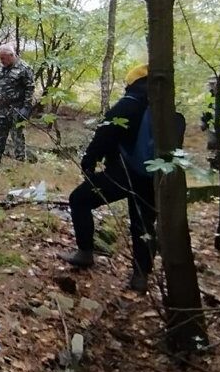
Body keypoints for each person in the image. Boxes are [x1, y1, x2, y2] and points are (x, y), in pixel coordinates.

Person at [60, 64, 156, 293]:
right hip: (153, 177)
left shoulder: (128, 104)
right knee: (142, 224)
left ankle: (85, 252)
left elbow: (104, 135)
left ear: (132, 83)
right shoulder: (161, 106)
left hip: (121, 175)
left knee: (79, 199)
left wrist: (89, 163)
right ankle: (141, 276)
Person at [0, 44, 35, 166]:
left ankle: (20, 166)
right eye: (0, 58)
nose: (1, 61)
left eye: (3, 58)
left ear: (12, 56)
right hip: (1, 108)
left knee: (17, 138)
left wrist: (26, 108)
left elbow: (30, 88)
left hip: (17, 108)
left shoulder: (24, 68)